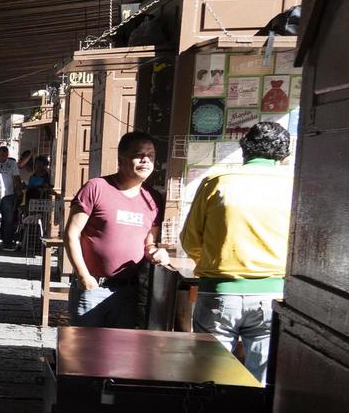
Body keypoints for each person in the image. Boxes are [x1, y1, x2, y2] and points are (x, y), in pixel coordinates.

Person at [180, 120, 293, 381]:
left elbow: (190, 240)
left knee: (209, 376)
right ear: (283, 156)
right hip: (273, 293)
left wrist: (211, 261)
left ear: (244, 150)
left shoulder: (217, 182)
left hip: (218, 291)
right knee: (261, 378)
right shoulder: (293, 187)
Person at [63, 131, 169, 327]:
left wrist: (156, 252)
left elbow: (149, 242)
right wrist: (84, 277)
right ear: (121, 158)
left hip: (128, 291)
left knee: (118, 353)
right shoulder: (96, 187)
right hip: (93, 286)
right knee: (84, 351)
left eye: (151, 155)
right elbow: (71, 234)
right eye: (139, 154)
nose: (146, 160)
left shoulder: (153, 198)